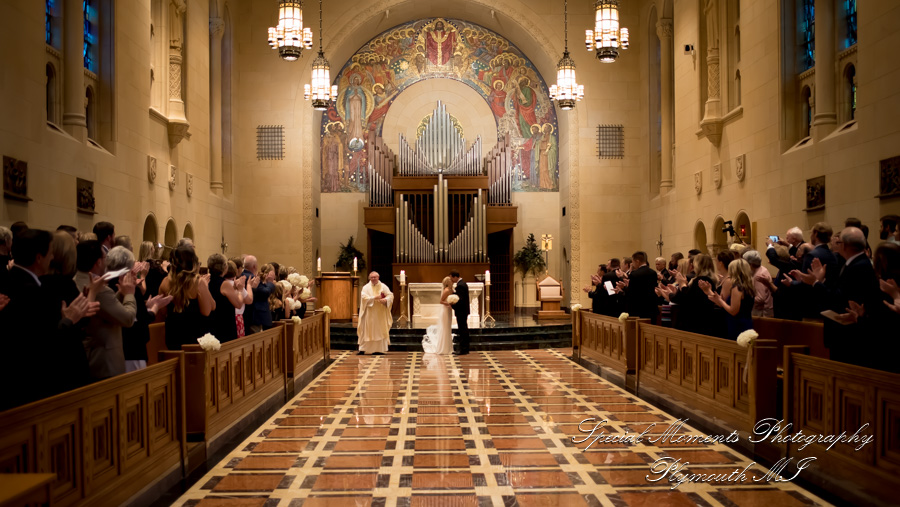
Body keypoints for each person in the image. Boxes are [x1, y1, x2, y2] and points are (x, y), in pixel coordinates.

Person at [75, 243, 137, 379]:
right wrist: (129, 294)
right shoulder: (99, 289)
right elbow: (128, 318)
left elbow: (106, 310)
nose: (106, 262)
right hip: (104, 362)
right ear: (98, 262)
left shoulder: (76, 281)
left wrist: (120, 294)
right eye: (105, 258)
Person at [159, 244, 214, 350]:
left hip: (173, 339)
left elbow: (162, 312)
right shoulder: (198, 282)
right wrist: (205, 287)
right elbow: (207, 311)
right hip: (194, 339)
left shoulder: (165, 282)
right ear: (193, 262)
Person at [700, 258, 755, 339]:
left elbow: (733, 311)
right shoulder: (748, 286)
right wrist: (713, 295)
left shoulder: (737, 287)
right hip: (746, 322)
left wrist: (720, 301)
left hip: (737, 325)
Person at [357, 271, 393, 355]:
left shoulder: (383, 286)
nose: (373, 279)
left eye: (375, 277)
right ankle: (364, 349)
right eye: (371, 277)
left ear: (378, 277)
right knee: (367, 330)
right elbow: (364, 298)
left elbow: (390, 295)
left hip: (380, 312)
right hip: (369, 313)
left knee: (380, 330)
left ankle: (379, 349)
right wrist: (375, 298)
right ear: (369, 278)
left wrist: (386, 300)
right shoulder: (366, 287)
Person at [423, 276, 454, 355]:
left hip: (449, 310)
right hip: (445, 310)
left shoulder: (451, 290)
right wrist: (449, 303)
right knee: (445, 328)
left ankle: (448, 348)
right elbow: (441, 301)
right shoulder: (446, 290)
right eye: (450, 281)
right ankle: (443, 348)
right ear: (448, 282)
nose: (452, 281)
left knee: (448, 328)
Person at [448, 270, 470, 355]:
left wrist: (452, 305)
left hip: (461, 311)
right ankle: (465, 348)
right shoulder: (462, 284)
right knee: (463, 329)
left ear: (455, 277)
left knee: (462, 330)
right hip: (463, 311)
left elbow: (460, 300)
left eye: (451, 278)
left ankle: (463, 349)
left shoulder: (460, 285)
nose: (451, 280)